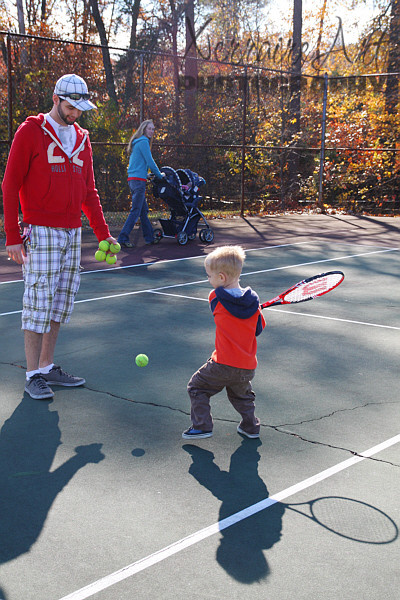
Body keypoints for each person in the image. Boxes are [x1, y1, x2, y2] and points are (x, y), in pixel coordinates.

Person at [2, 73, 118, 401]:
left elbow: (89, 192)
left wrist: (103, 234)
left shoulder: (82, 137)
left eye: (80, 108)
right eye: (71, 106)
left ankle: (47, 367)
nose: (76, 113)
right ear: (56, 99)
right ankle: (32, 374)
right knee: (38, 302)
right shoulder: (30, 132)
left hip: (72, 232)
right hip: (40, 230)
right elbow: (10, 185)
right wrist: (12, 234)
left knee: (59, 303)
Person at [182, 245, 266, 440]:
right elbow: (258, 329)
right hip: (247, 366)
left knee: (196, 387)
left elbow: (226, 308)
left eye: (209, 276)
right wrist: (255, 310)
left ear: (221, 278)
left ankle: (202, 426)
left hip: (223, 364)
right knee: (242, 396)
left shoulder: (215, 298)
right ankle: (250, 426)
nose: (208, 279)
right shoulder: (253, 301)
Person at [117, 119, 164, 248]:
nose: (152, 131)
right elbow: (150, 161)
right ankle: (122, 237)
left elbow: (137, 164)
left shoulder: (137, 142)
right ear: (143, 129)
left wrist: (146, 174)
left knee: (143, 211)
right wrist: (159, 175)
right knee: (136, 210)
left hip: (134, 179)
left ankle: (149, 238)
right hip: (138, 182)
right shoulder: (143, 141)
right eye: (150, 128)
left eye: (153, 129)